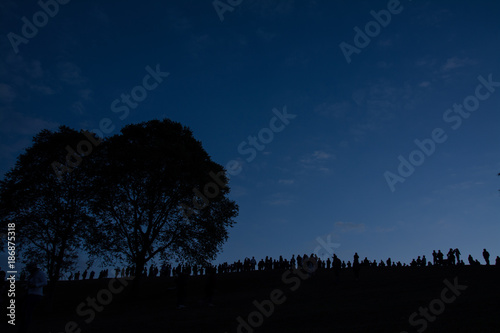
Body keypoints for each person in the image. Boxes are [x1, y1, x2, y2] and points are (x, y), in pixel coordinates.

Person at [18, 263, 48, 333]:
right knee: (24, 309)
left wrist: (35, 285)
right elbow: (30, 284)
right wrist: (26, 286)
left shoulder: (40, 273)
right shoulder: (32, 275)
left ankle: (25, 328)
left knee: (27, 311)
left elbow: (45, 282)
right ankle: (23, 326)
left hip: (36, 295)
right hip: (30, 293)